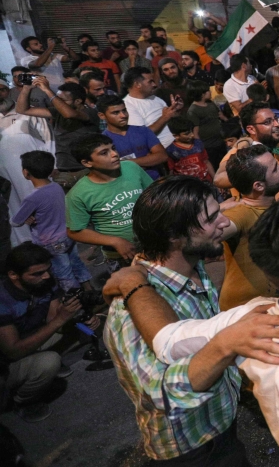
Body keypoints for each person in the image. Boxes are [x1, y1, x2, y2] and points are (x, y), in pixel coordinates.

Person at [102, 176, 279, 465]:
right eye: (211, 218)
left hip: (220, 423)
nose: (223, 222)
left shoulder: (192, 264)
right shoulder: (131, 309)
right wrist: (227, 345)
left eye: (219, 210)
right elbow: (161, 395)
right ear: (173, 235)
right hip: (192, 449)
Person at [0, 244, 99, 422]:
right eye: (37, 274)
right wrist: (61, 318)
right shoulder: (3, 299)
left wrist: (83, 319)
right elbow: (12, 351)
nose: (46, 276)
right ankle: (22, 401)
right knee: (49, 362)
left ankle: (41, 368)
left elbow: (53, 318)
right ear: (13, 275)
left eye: (47, 270)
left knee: (82, 329)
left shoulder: (45, 282)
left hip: (31, 338)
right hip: (6, 363)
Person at [65, 134, 154, 265]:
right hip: (122, 255)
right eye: (104, 153)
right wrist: (115, 241)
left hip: (155, 242)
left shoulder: (131, 168)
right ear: (87, 162)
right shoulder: (78, 194)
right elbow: (75, 232)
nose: (114, 154)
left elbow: (154, 195)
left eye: (113, 148)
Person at [11, 151, 92, 292]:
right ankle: (90, 290)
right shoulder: (56, 187)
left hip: (50, 242)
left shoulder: (32, 197)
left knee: (64, 273)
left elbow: (15, 221)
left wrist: (26, 217)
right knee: (76, 263)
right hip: (68, 234)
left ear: (25, 172)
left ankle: (78, 301)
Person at [217, 145, 279, 310]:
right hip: (243, 312)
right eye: (275, 169)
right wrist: (217, 210)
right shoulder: (242, 213)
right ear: (259, 186)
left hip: (269, 305)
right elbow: (211, 233)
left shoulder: (271, 206)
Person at [15, 76, 101, 190]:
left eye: (63, 100)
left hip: (88, 169)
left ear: (78, 101)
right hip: (64, 172)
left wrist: (47, 90)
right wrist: (27, 88)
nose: (57, 102)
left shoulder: (89, 112)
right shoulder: (58, 112)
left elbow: (69, 114)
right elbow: (22, 110)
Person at [0, 78, 55, 246]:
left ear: (8, 91)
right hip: (5, 176)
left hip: (34, 172)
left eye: (2, 89)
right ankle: (26, 245)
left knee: (41, 208)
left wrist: (53, 165)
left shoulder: (28, 112)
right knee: (15, 209)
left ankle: (53, 243)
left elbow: (48, 138)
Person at [215, 102, 279, 200]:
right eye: (267, 122)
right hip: (268, 212)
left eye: (275, 119)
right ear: (251, 129)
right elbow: (218, 180)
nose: (276, 124)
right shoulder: (241, 152)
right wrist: (254, 170)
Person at [97, 95, 167, 180]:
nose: (123, 115)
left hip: (155, 182)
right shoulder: (103, 141)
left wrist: (125, 163)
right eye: (116, 113)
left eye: (124, 110)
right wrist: (148, 160)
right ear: (102, 115)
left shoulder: (143, 130)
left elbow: (162, 156)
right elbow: (110, 168)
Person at [122, 66, 183, 148]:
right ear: (137, 84)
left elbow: (170, 120)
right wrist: (165, 117)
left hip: (178, 144)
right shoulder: (127, 105)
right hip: (163, 151)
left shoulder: (155, 98)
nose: (154, 85)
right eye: (150, 82)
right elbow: (142, 135)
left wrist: (176, 111)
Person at [185, 82, 227, 169]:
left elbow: (220, 116)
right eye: (208, 91)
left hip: (220, 141)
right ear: (201, 94)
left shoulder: (211, 103)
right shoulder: (193, 110)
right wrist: (200, 148)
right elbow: (195, 131)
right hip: (209, 146)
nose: (210, 92)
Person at [164, 116, 216, 183]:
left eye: (191, 131)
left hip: (206, 182)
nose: (192, 135)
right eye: (186, 134)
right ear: (176, 136)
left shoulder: (198, 143)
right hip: (187, 186)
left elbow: (206, 162)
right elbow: (171, 172)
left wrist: (215, 178)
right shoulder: (171, 151)